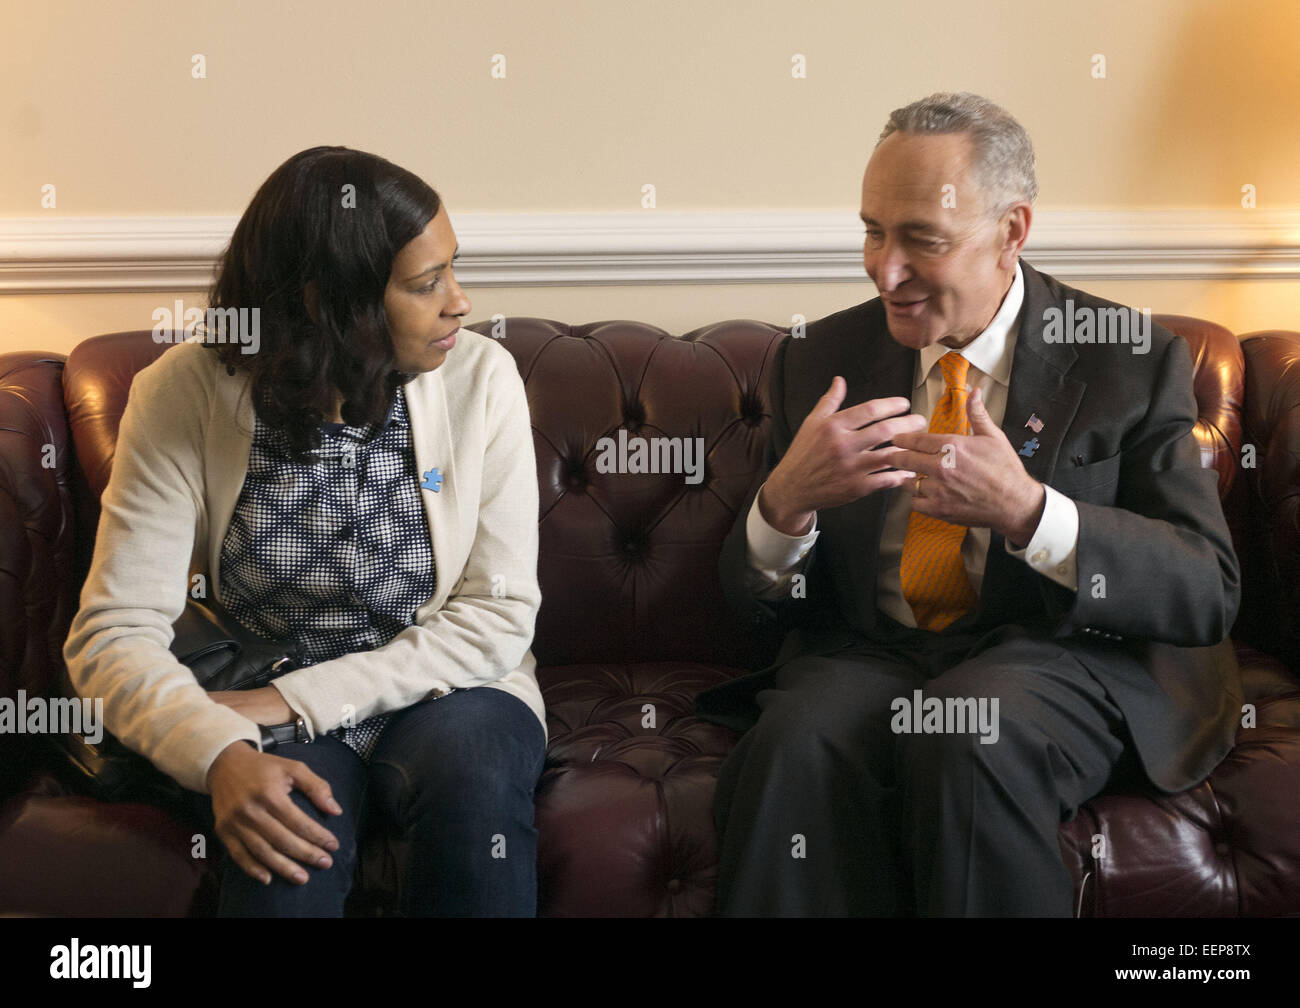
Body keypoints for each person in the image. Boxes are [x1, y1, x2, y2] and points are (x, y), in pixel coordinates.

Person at [694, 93, 1243, 916]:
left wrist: (1030, 511)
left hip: (1060, 652)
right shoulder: (819, 360)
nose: (885, 269)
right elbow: (757, 606)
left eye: (923, 239)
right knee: (792, 744)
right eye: (873, 232)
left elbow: (1206, 588)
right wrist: (784, 507)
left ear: (1012, 231)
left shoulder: (1130, 359)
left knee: (968, 731)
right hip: (875, 653)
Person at [63, 146, 547, 917]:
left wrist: (291, 701)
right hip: (263, 687)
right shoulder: (181, 395)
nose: (460, 302)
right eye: (426, 284)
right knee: (284, 865)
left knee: (476, 785)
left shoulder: (482, 380)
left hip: (452, 687)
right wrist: (216, 749)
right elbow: (113, 631)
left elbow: (497, 616)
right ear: (332, 301)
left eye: (453, 270)